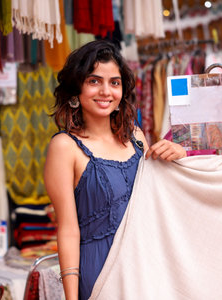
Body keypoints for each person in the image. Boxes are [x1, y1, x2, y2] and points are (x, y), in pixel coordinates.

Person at [43, 40, 186, 300]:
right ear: (76, 90)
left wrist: (180, 157)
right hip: (99, 271)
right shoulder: (64, 147)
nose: (106, 91)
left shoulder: (136, 138)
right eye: (94, 81)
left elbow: (161, 201)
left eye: (114, 82)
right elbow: (67, 229)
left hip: (145, 267)